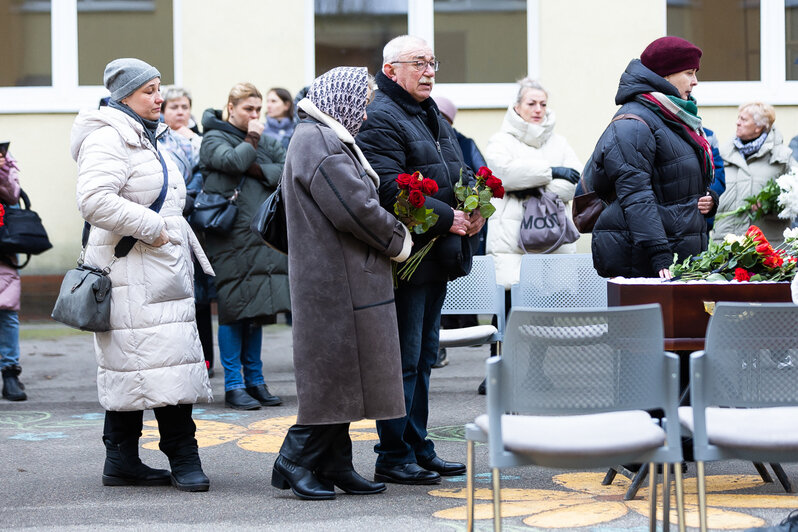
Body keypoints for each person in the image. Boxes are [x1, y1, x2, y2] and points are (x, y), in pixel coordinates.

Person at [70, 58, 213, 491]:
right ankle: (179, 455)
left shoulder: (147, 136)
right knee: (152, 363)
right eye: (150, 90)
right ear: (124, 95)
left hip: (156, 270)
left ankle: (123, 460)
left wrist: (166, 236)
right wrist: (156, 230)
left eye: (160, 89)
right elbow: (93, 200)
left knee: (142, 364)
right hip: (130, 270)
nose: (160, 98)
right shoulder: (109, 137)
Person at [272, 66, 412, 501]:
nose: (366, 114)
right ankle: (294, 459)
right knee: (334, 377)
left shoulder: (323, 137)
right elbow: (354, 209)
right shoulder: (321, 141)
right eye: (363, 103)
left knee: (348, 377)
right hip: (337, 281)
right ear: (342, 100)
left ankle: (335, 462)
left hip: (341, 277)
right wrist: (398, 237)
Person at [357, 35, 483, 485]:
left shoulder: (426, 112)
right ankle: (392, 453)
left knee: (425, 355)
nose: (430, 71)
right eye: (419, 63)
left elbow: (457, 171)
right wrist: (447, 217)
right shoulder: (381, 116)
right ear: (391, 70)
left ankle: (417, 445)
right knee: (403, 359)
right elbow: (387, 189)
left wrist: (474, 209)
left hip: (436, 256)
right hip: (407, 256)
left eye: (433, 62)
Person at [588, 36, 717, 279]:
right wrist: (659, 253)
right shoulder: (634, 124)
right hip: (645, 262)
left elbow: (676, 181)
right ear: (664, 75)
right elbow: (636, 195)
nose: (695, 81)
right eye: (689, 72)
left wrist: (709, 200)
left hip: (677, 253)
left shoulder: (675, 118)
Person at [199, 83, 288, 410]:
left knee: (257, 308)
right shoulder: (213, 137)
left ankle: (255, 380)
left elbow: (286, 169)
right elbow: (234, 162)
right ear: (231, 107)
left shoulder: (265, 142)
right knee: (234, 309)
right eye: (248, 109)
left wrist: (257, 167)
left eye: (258, 110)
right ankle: (234, 384)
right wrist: (251, 141)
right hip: (231, 236)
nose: (255, 116)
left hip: (261, 234)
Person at [158, 86, 217, 378]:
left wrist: (188, 197)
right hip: (165, 221)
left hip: (194, 220)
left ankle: (206, 357)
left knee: (200, 293)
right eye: (173, 107)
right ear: (163, 111)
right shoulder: (156, 140)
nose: (180, 112)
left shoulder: (200, 141)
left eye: (184, 107)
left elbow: (204, 175)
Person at [431, 95, 488, 369]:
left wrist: (476, 202)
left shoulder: (462, 142)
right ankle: (441, 339)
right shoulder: (428, 137)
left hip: (461, 218)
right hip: (436, 219)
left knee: (461, 273)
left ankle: (465, 324)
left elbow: (481, 175)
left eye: (444, 116)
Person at [712, 102, 795, 244]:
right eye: (738, 118)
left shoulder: (782, 157)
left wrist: (773, 204)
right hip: (727, 247)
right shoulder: (723, 155)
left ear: (759, 127)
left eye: (744, 119)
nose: (737, 123)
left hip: (767, 249)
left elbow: (795, 197)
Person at [0, 150, 25, 401]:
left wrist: (2, 169)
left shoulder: (6, 162)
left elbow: (12, 196)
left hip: (3, 246)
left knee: (6, 310)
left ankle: (10, 373)